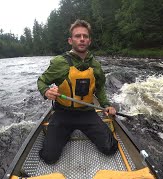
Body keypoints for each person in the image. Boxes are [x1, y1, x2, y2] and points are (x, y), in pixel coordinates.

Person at [37, 19, 118, 164]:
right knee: (49, 157)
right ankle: (63, 134)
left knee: (110, 147)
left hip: (87, 112)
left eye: (85, 36)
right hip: (63, 113)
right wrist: (46, 92)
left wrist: (106, 104)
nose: (82, 39)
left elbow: (99, 88)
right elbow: (42, 81)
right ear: (70, 40)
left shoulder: (96, 65)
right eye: (77, 36)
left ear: (89, 41)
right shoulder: (59, 63)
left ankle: (70, 132)